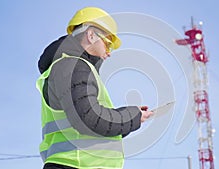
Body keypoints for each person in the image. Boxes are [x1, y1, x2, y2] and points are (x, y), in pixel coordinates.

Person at [36, 7, 153, 169]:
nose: (109, 52)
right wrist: (131, 115)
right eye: (108, 43)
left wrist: (134, 118)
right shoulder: (72, 65)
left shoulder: (75, 67)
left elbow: (93, 123)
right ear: (91, 35)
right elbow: (89, 118)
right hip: (75, 164)